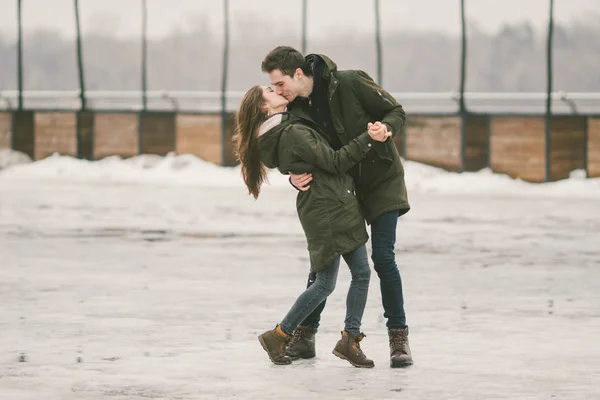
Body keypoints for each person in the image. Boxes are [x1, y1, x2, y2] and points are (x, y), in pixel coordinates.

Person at [261, 46, 413, 367]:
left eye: (280, 84)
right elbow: (290, 147)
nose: (278, 91)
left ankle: (398, 337)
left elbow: (395, 111)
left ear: (298, 73)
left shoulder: (350, 82)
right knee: (322, 263)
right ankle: (304, 335)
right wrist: (292, 175)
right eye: (273, 88)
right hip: (342, 188)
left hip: (380, 181)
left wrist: (386, 129)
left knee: (383, 258)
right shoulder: (297, 109)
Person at [234, 85, 390, 368]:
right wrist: (368, 138)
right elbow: (335, 161)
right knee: (326, 283)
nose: (276, 89)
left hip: (333, 203)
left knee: (361, 273)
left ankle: (349, 339)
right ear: (263, 107)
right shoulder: (291, 133)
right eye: (269, 90)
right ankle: (280, 334)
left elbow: (298, 161)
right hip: (327, 208)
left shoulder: (286, 127)